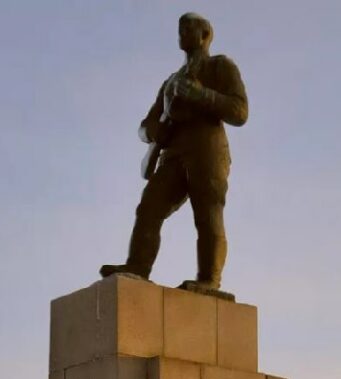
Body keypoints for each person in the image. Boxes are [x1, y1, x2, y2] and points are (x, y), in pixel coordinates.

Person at [100, 13, 248, 292]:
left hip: (207, 151)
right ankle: (138, 266)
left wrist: (201, 94)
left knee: (207, 213)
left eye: (187, 28)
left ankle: (209, 280)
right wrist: (152, 132)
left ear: (204, 35)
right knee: (149, 208)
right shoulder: (170, 82)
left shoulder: (220, 67)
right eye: (180, 28)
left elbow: (240, 111)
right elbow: (146, 125)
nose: (181, 33)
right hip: (172, 155)